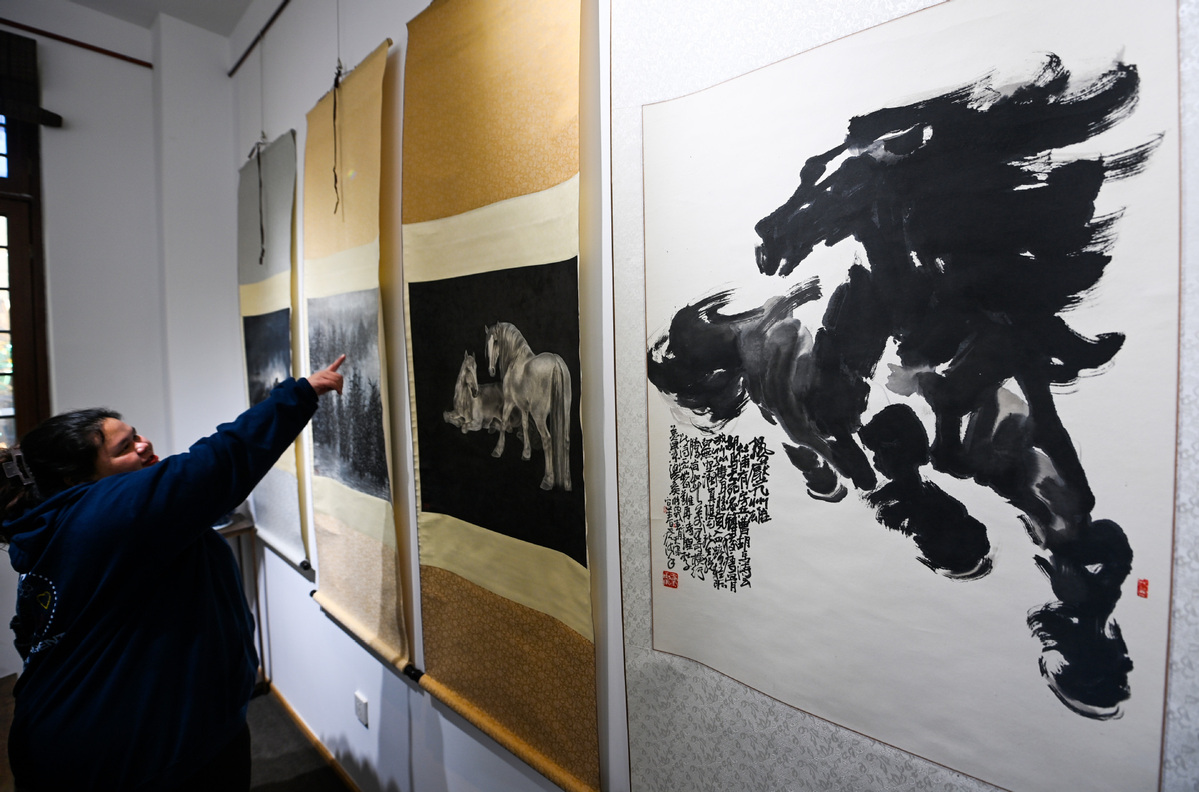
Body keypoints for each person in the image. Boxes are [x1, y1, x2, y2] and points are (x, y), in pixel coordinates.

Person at [1, 355, 346, 791]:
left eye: (135, 435)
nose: (144, 445)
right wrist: (301, 393)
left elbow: (30, 632)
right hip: (127, 757)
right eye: (124, 449)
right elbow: (216, 463)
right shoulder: (104, 516)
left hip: (96, 737)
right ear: (77, 481)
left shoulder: (57, 528)